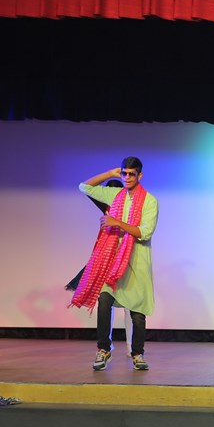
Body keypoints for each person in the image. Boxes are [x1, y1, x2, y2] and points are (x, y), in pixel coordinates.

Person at [70, 158, 158, 372]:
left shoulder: (149, 201)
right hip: (111, 260)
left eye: (131, 174)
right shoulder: (115, 195)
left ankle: (137, 353)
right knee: (104, 300)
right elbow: (84, 187)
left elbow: (145, 232)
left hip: (136, 261)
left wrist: (116, 222)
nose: (127, 177)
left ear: (140, 175)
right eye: (124, 173)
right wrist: (110, 173)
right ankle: (104, 349)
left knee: (137, 312)